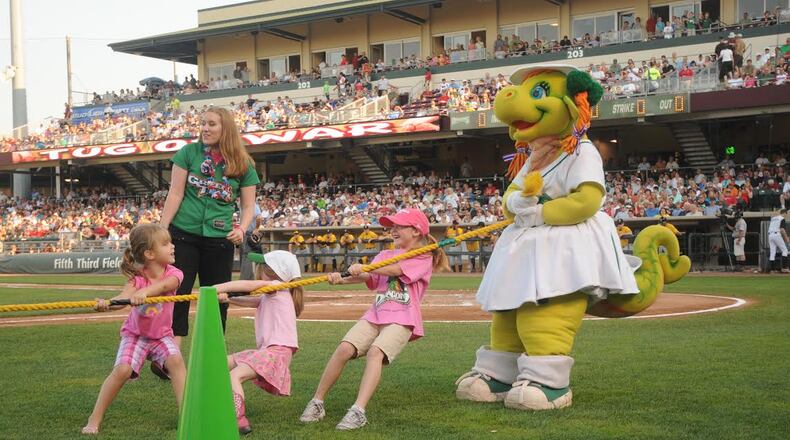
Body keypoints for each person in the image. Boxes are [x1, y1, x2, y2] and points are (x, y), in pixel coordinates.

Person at [299, 209, 449, 430]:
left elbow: (397, 270)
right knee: (344, 349)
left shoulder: (423, 257)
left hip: (402, 319)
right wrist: (342, 279)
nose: (393, 230)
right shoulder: (385, 255)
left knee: (375, 352)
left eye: (399, 226)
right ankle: (317, 401)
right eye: (392, 226)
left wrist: (368, 266)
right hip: (376, 314)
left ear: (416, 231)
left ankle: (358, 411)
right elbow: (369, 277)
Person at [159, 107, 259, 359]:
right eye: (203, 123)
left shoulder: (243, 163)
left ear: (225, 128)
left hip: (220, 239)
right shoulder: (188, 153)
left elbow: (248, 206)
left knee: (217, 296)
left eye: (211, 124)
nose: (205, 128)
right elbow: (176, 192)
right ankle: (171, 355)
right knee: (177, 292)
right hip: (183, 233)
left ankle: (211, 354)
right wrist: (162, 228)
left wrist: (241, 228)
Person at [82, 224, 186, 435]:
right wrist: (107, 303)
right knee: (122, 370)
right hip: (135, 335)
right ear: (149, 253)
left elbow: (165, 286)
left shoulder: (174, 273)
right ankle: (95, 418)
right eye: (166, 244)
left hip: (161, 336)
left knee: (175, 360)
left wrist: (145, 292)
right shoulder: (137, 278)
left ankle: (187, 415)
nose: (172, 246)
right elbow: (122, 298)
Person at [215, 250, 303, 435]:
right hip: (269, 352)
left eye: (262, 266)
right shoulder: (274, 294)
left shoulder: (277, 286)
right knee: (222, 363)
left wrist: (217, 287)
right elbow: (252, 301)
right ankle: (216, 406)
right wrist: (228, 298)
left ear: (272, 271)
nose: (258, 269)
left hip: (275, 353)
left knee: (234, 376)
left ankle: (238, 419)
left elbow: (247, 285)